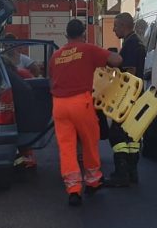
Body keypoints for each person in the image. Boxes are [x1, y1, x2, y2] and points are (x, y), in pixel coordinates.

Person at [48, 19, 122, 206]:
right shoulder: (87, 49)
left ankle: (73, 189)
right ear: (83, 34)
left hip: (59, 105)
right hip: (81, 102)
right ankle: (93, 181)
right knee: (89, 141)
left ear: (66, 35)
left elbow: (51, 78)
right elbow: (116, 60)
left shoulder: (56, 55)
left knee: (67, 148)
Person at [105, 12, 147, 188]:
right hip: (136, 97)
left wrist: (115, 89)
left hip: (127, 97)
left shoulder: (130, 45)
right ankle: (132, 172)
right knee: (132, 136)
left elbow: (130, 72)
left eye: (115, 26)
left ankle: (121, 173)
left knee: (117, 135)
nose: (113, 30)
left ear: (123, 25)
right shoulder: (137, 42)